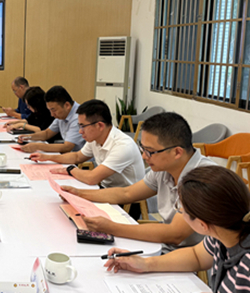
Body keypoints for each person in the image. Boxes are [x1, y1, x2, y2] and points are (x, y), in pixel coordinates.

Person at [60, 112, 215, 252]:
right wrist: (78, 194)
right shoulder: (164, 168)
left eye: (150, 151)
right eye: (143, 149)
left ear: (177, 152)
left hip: (189, 254)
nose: (144, 157)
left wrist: (111, 227)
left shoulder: (202, 179)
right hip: (165, 245)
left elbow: (175, 234)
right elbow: (127, 193)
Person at [104, 166, 250, 293]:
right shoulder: (222, 233)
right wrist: (145, 264)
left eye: (180, 209)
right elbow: (196, 256)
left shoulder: (246, 263)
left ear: (202, 225)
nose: (179, 212)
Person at [32, 99, 145, 189]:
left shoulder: (123, 146)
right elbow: (77, 157)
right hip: (107, 189)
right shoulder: (96, 139)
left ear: (100, 126)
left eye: (83, 126)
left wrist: (70, 170)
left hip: (127, 202)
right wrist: (46, 157)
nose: (80, 131)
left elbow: (92, 178)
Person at [19, 86, 85, 154]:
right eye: (50, 110)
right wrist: (27, 137)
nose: (52, 115)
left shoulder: (78, 117)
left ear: (67, 105)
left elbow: (67, 147)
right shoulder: (62, 113)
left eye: (53, 110)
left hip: (81, 158)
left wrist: (38, 146)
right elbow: (47, 133)